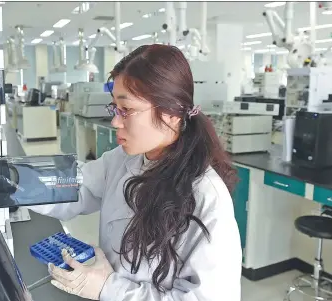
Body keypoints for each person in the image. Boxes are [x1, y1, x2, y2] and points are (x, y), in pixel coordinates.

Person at [28, 44, 242, 301]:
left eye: (126, 110)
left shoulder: (206, 196)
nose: (115, 121)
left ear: (172, 113)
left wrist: (108, 287)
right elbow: (79, 185)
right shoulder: (123, 160)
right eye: (115, 108)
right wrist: (15, 181)